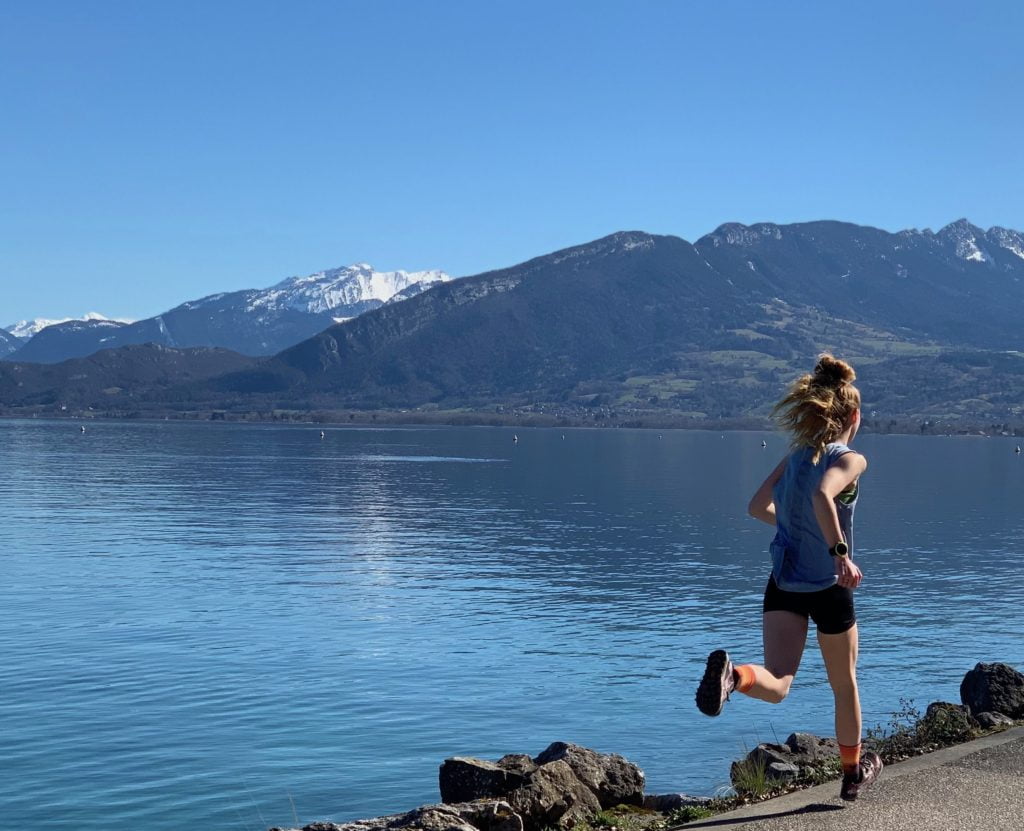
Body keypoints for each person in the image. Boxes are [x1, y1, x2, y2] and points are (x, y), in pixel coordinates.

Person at [695, 354, 883, 802]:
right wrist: (839, 554)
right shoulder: (851, 459)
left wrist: (794, 528)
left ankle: (734, 677)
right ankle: (853, 773)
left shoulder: (797, 456)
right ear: (853, 416)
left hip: (784, 580)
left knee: (777, 682)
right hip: (828, 585)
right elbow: (823, 494)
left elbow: (758, 506)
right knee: (844, 684)